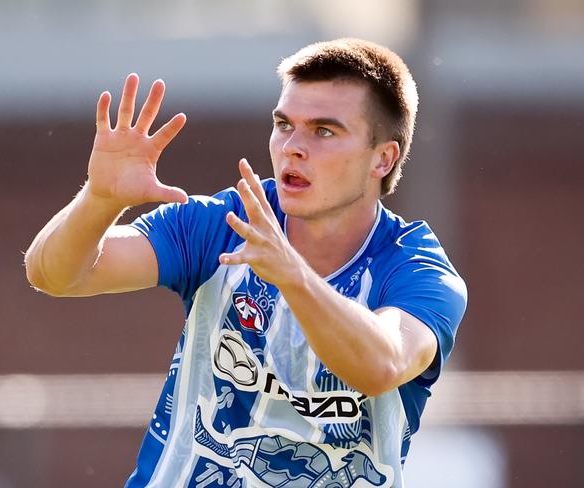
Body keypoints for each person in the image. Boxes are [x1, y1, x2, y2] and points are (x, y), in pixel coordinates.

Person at [25, 38, 467, 488]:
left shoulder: (416, 267)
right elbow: (54, 275)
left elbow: (382, 364)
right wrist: (98, 201)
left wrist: (293, 275)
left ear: (382, 158)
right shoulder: (223, 222)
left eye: (324, 131)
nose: (292, 146)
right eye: (284, 124)